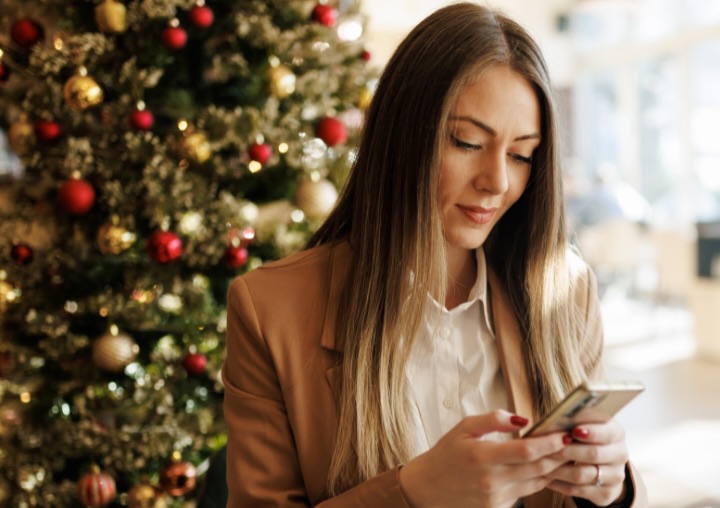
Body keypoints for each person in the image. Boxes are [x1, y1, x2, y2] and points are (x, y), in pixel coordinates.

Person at [222, 3, 648, 507]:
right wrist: (413, 493)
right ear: (402, 137)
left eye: (521, 154)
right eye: (467, 141)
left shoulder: (567, 291)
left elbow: (601, 480)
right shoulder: (270, 309)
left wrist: (613, 488)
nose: (498, 182)